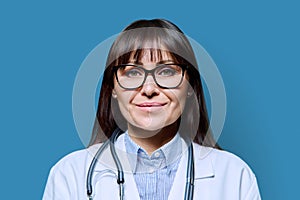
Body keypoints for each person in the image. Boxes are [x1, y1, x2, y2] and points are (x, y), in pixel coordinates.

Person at [43, 19, 261, 200]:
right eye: (132, 73)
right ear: (113, 89)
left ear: (190, 87)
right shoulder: (69, 175)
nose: (148, 89)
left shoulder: (234, 176)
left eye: (166, 72)